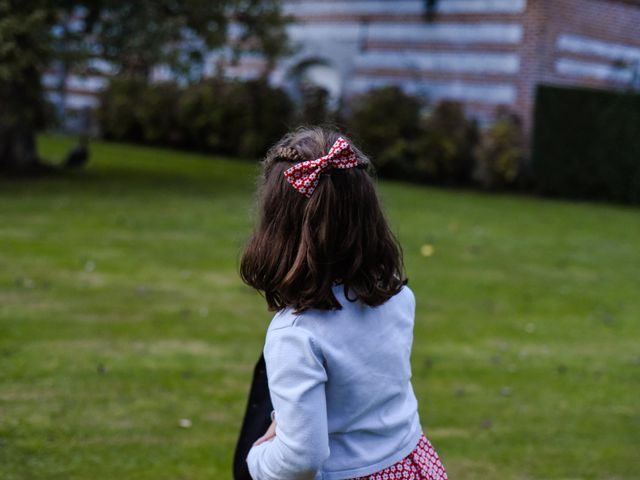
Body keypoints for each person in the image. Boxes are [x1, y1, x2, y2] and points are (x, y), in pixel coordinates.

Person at [239, 127, 448, 480]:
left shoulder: (296, 335)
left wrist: (257, 459)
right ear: (368, 216)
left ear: (277, 229)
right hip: (411, 464)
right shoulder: (396, 296)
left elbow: (302, 457)